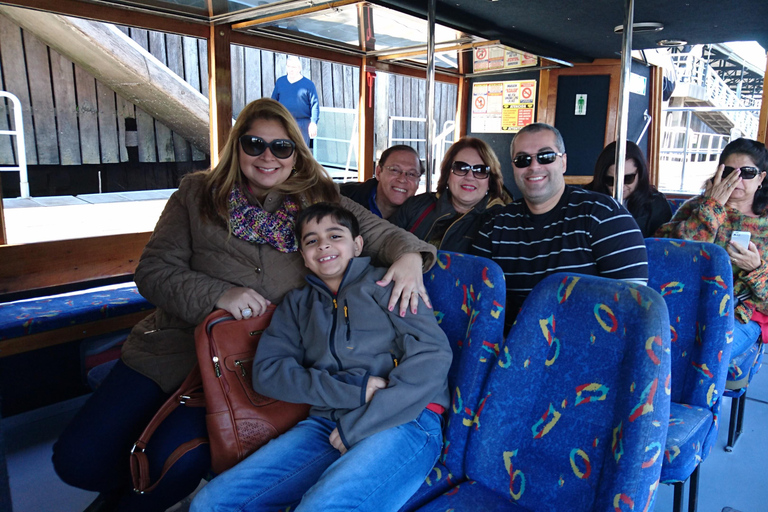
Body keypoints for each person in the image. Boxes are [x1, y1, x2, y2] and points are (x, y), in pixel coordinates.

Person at [51, 98, 436, 512]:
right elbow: (153, 270)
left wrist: (412, 257)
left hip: (249, 365)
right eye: (255, 144)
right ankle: (128, 486)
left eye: (281, 147)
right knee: (78, 461)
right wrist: (218, 295)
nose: (267, 156)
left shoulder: (319, 199)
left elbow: (381, 235)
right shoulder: (198, 194)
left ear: (296, 154)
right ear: (237, 148)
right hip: (170, 350)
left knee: (176, 463)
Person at [190, 202, 452, 512]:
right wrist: (352, 390)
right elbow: (268, 373)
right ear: (303, 255)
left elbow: (432, 357)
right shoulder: (297, 305)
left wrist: (360, 424)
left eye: (335, 235)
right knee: (211, 502)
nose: (323, 244)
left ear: (357, 245)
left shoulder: (388, 285)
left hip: (405, 418)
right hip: (326, 424)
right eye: (311, 240)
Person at [472, 123, 648, 332]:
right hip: (510, 351)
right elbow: (478, 302)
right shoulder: (494, 225)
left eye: (545, 156)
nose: (534, 166)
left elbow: (632, 306)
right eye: (522, 160)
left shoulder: (605, 216)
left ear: (563, 162)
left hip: (587, 349)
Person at [656, 138, 768, 359]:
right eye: (728, 171)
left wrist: (756, 269)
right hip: (686, 302)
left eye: (746, 172)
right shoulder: (697, 207)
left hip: (740, 313)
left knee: (705, 354)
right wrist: (711, 209)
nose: (736, 179)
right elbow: (669, 257)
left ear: (761, 178)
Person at [393, 137, 511, 253]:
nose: (469, 177)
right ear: (447, 175)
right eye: (460, 168)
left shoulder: (502, 223)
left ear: (490, 181)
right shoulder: (415, 205)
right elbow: (385, 245)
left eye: (480, 170)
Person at [588, 140, 672, 237]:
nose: (621, 186)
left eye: (628, 178)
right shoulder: (587, 200)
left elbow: (661, 244)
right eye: (611, 180)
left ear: (640, 174)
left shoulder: (656, 205)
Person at [340, 144, 424, 220]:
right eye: (394, 170)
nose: (402, 179)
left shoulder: (423, 218)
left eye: (412, 174)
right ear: (378, 172)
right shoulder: (341, 197)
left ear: (418, 182)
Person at [271, 55, 319, 146]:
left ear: (299, 68)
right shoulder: (280, 82)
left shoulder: (309, 85)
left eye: (293, 67)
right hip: (283, 121)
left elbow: (315, 105)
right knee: (283, 150)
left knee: (301, 151)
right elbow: (273, 103)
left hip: (302, 124)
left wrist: (313, 123)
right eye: (288, 66)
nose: (291, 69)